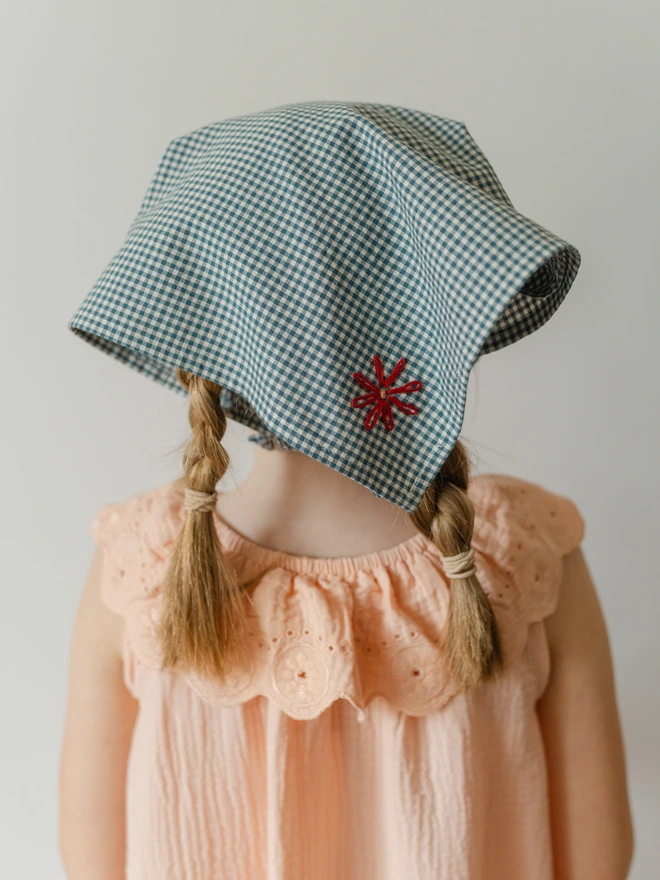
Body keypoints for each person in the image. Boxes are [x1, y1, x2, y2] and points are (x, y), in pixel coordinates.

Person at [58, 101, 634, 880]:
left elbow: (89, 863)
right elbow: (599, 859)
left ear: (206, 330)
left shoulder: (140, 571)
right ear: (435, 315)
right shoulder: (523, 555)